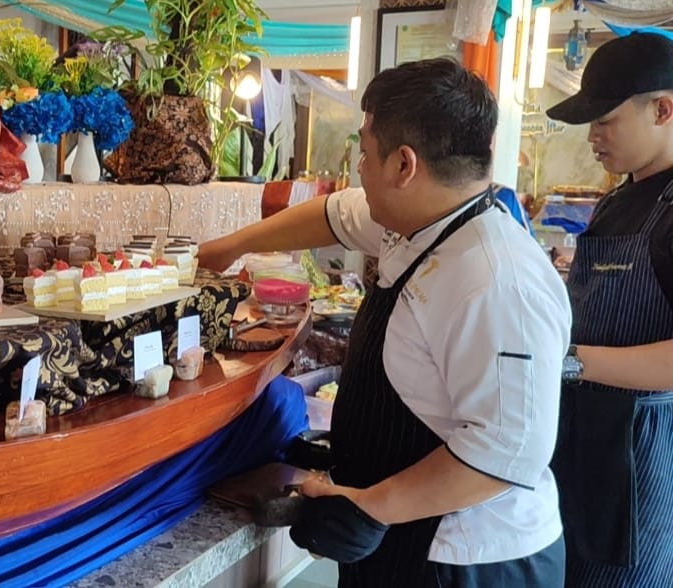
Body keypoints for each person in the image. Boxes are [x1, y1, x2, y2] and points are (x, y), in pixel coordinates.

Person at [199, 58, 570, 586]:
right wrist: (225, 249)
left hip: (466, 558)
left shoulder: (496, 280)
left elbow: (508, 451)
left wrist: (372, 504)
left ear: (403, 165)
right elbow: (333, 214)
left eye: (364, 152)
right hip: (395, 530)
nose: (357, 168)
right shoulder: (424, 218)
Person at [545, 32, 673, 586]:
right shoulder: (617, 199)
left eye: (605, 120)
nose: (592, 137)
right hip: (580, 444)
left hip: (642, 462)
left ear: (663, 109)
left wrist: (569, 360)